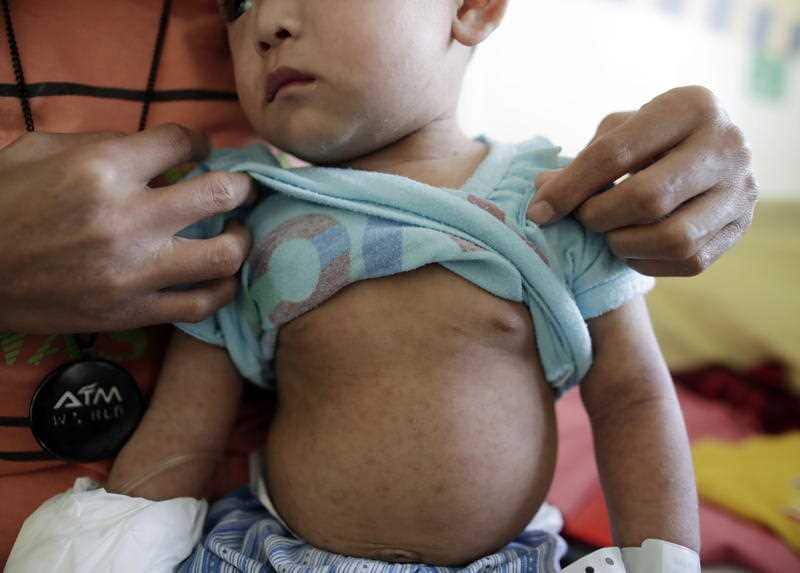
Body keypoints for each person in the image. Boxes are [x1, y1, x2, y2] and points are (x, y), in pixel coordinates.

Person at [0, 0, 759, 568]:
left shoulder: (555, 199)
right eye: (238, 3)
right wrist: (107, 548)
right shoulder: (246, 213)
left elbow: (632, 398)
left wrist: (661, 557)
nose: (264, 23)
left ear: (471, 8)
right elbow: (185, 428)